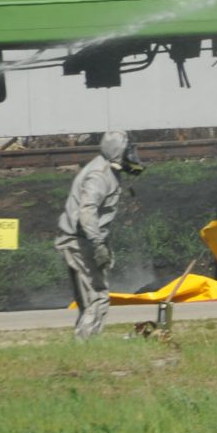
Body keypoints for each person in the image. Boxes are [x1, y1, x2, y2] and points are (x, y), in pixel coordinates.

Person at [53, 130, 142, 339]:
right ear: (118, 151)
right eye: (128, 151)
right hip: (80, 242)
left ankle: (83, 342)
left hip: (78, 240)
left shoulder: (106, 169)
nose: (132, 156)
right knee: (98, 296)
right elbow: (87, 211)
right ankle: (87, 344)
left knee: (87, 299)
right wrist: (98, 245)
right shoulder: (100, 176)